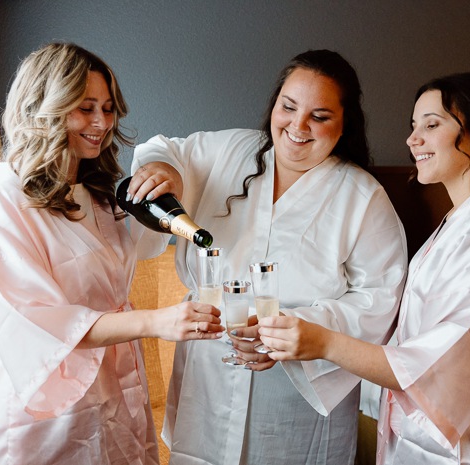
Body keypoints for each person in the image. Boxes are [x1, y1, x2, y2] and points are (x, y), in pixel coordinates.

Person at [125, 49, 407, 464]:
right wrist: (167, 172)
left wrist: (298, 333)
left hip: (298, 391)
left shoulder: (362, 197)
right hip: (210, 370)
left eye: (320, 116)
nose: (298, 126)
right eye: (288, 107)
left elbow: (379, 298)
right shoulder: (233, 150)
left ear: (345, 123)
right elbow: (166, 150)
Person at [259, 72, 470, 464]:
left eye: (432, 125)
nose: (413, 139)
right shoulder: (464, 220)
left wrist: (322, 342)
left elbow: (436, 367)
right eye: (413, 126)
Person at [0, 42, 223, 465]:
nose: (102, 123)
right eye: (85, 108)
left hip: (116, 395)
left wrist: (167, 175)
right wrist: (157, 322)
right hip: (44, 408)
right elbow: (41, 323)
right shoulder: (3, 202)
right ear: (44, 107)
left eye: (108, 108)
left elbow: (158, 231)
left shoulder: (103, 195)